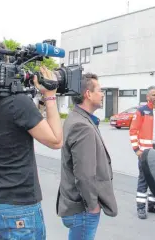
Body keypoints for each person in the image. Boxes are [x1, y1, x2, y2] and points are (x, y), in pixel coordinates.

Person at [0, 42, 63, 239]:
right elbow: (56, 140)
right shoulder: (17, 102)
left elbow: (24, 124)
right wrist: (50, 96)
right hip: (19, 210)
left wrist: (40, 101)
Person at [56, 73, 118, 239]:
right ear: (88, 94)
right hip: (82, 209)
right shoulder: (82, 126)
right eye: (99, 90)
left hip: (76, 205)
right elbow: (84, 174)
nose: (103, 93)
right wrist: (92, 206)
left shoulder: (76, 117)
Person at [129, 86, 155, 219]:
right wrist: (137, 150)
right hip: (145, 152)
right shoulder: (142, 111)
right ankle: (141, 207)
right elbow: (133, 131)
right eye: (153, 95)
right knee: (144, 179)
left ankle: (152, 205)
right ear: (148, 97)